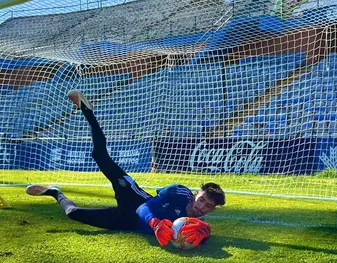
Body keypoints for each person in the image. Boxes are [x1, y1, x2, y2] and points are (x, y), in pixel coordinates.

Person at [26, 90, 225, 247]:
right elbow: (145, 207)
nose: (202, 207)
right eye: (202, 200)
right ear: (196, 194)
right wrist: (155, 223)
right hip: (135, 198)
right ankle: (87, 110)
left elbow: (193, 236)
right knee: (100, 157)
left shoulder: (196, 225)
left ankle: (54, 191)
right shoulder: (179, 192)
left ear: (212, 210)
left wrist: (203, 237)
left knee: (73, 214)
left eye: (208, 206)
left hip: (127, 222)